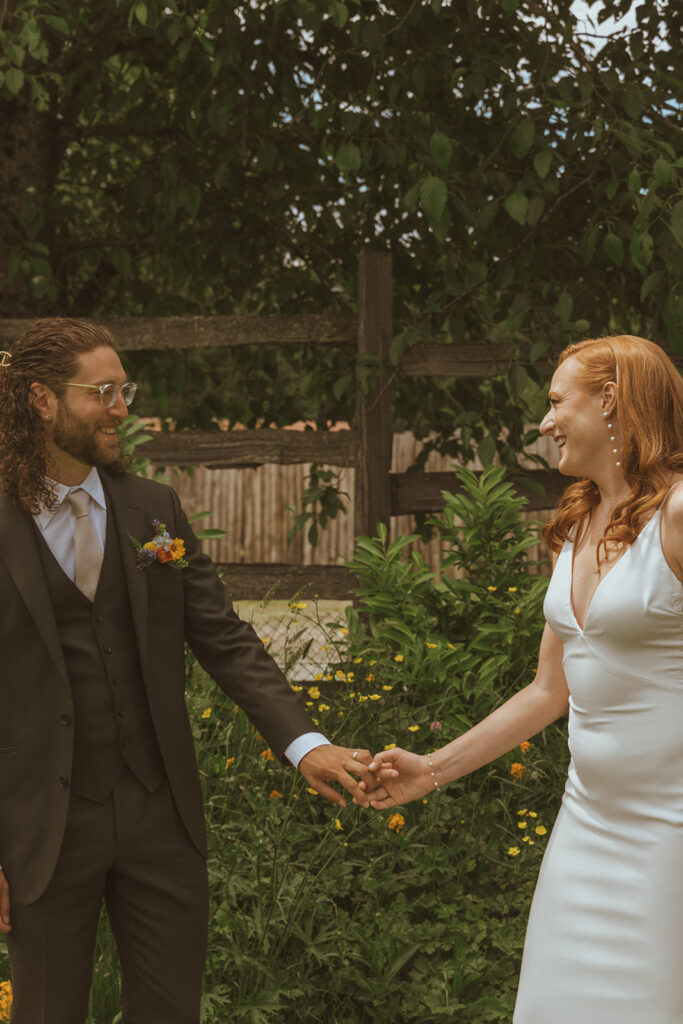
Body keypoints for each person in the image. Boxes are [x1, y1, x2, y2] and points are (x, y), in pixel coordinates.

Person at [0, 318, 381, 1024]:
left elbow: (224, 637)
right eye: (103, 391)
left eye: (125, 389)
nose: (121, 407)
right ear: (41, 401)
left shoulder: (153, 512)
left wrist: (304, 745)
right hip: (41, 826)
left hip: (159, 815)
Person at [363, 335, 683, 1023]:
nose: (543, 422)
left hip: (671, 835)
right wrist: (432, 768)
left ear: (610, 402)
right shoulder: (576, 522)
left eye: (555, 401)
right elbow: (548, 691)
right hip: (587, 828)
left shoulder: (679, 517)